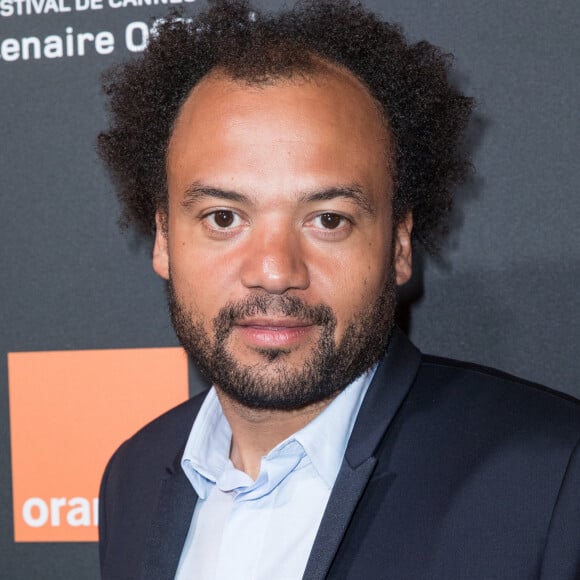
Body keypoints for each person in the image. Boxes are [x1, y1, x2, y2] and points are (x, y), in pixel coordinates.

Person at [97, 1, 580, 578]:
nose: (274, 271)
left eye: (328, 219)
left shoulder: (555, 480)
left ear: (399, 246)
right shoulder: (133, 477)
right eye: (224, 217)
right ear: (163, 239)